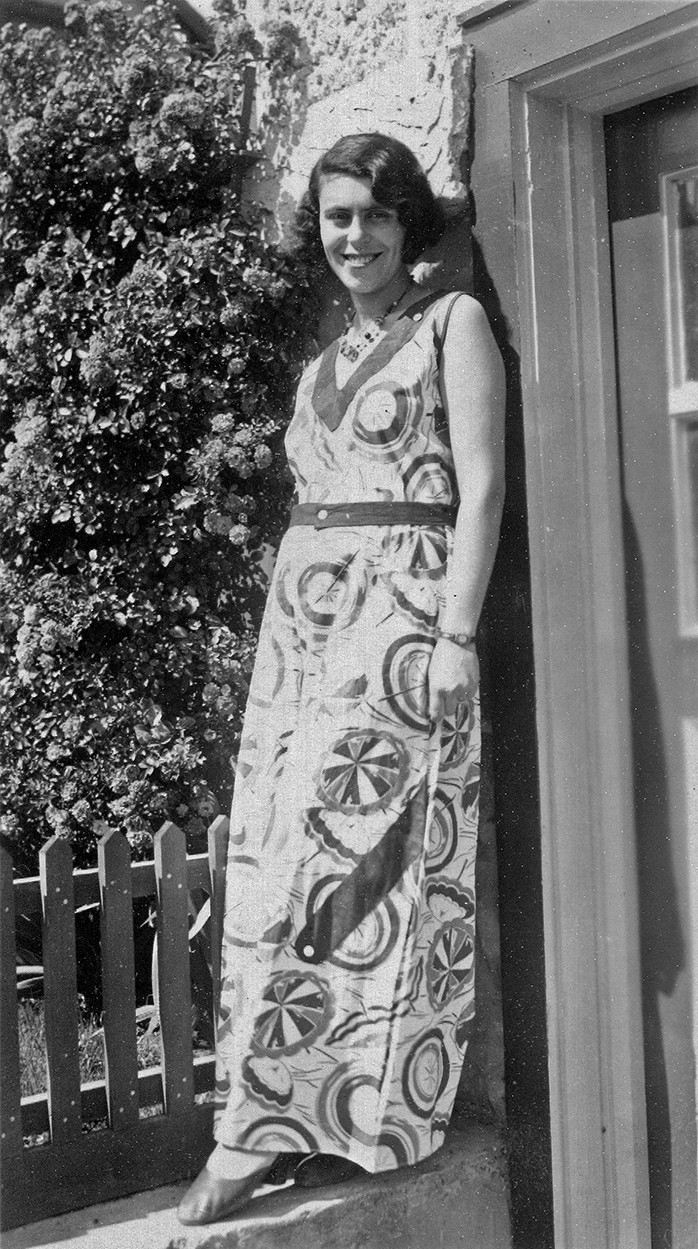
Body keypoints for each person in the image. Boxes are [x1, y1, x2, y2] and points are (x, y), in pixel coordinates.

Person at [178, 132, 505, 1225]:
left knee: (364, 868)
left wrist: (453, 638)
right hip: (302, 637)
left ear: (405, 219)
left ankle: (322, 1122)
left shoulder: (450, 325)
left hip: (398, 631)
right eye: (333, 218)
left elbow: (484, 489)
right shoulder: (325, 358)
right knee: (273, 865)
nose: (351, 235)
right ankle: (279, 1116)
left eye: (369, 213)